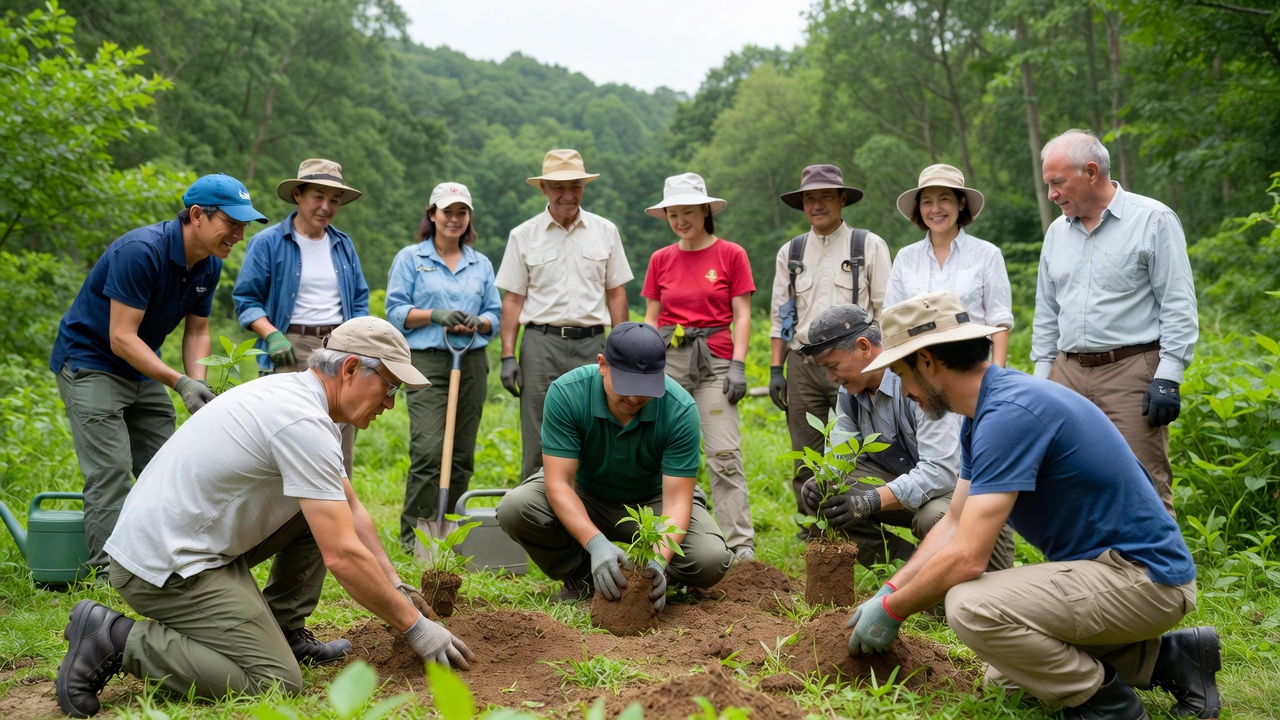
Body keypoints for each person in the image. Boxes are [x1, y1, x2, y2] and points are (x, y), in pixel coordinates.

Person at [55, 317, 475, 719]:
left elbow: (349, 508)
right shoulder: (301, 422)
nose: (389, 402)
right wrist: (415, 626)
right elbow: (343, 556)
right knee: (274, 681)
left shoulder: (297, 396)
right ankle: (114, 639)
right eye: (389, 386)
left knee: (322, 513)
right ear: (350, 368)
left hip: (194, 544)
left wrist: (395, 585)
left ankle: (282, 631)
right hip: (163, 569)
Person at [845, 290, 1219, 720]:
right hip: (1111, 572)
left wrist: (893, 612)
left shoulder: (1010, 414)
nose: (903, 389)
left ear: (927, 362)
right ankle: (1174, 658)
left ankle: (1108, 707)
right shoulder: (984, 412)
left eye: (900, 372)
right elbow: (953, 522)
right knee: (1004, 676)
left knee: (970, 607)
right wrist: (890, 590)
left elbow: (967, 558)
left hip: (1143, 579)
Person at [49, 173, 268, 578]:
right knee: (110, 471)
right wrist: (179, 382)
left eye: (244, 225)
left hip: (140, 364)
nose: (239, 234)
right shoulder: (141, 251)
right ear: (198, 215)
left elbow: (198, 332)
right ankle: (107, 575)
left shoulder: (208, 265)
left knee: (166, 463)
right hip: (91, 362)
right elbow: (120, 337)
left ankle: (162, 560)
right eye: (231, 223)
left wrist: (198, 383)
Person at [496, 322, 733, 608]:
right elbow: (559, 484)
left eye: (645, 388)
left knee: (711, 558)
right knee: (515, 508)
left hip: (652, 502)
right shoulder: (568, 393)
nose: (634, 398)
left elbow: (677, 502)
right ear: (602, 365)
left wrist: (657, 561)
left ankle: (646, 581)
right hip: (585, 493)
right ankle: (582, 573)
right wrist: (595, 543)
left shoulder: (679, 409)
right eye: (627, 386)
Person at [1032, 130, 1197, 518]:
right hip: (1067, 374)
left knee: (1143, 482)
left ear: (1091, 172)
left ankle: (1163, 576)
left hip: (1130, 372)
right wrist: (1042, 381)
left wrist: (1169, 376)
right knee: (1067, 479)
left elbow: (1177, 303)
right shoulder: (1057, 232)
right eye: (1048, 185)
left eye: (1057, 183)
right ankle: (1093, 572)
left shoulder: (1152, 220)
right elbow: (1046, 312)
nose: (1052, 195)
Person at [796, 304, 1013, 571]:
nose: (830, 378)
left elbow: (942, 472)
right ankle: (910, 572)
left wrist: (871, 500)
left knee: (932, 516)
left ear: (864, 347)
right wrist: (823, 481)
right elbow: (839, 459)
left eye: (833, 365)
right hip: (908, 488)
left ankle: (950, 575)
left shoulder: (922, 386)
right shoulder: (850, 395)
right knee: (826, 495)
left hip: (959, 497)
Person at [495, 149, 633, 482]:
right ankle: (537, 520)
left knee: (598, 428)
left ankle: (591, 519)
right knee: (539, 436)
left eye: (575, 186)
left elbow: (616, 292)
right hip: (541, 346)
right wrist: (507, 356)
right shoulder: (523, 235)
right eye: (559, 187)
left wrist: (623, 349)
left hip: (594, 345)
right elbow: (513, 299)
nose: (568, 195)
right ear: (543, 188)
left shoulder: (605, 231)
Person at [641, 172, 756, 561]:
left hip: (716, 361)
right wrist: (647, 365)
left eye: (688, 212)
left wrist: (738, 364)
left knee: (723, 452)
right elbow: (652, 318)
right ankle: (668, 535)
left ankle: (740, 542)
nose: (680, 221)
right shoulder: (661, 259)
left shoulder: (731, 254)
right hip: (670, 361)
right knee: (662, 449)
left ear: (706, 211)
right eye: (673, 214)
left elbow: (742, 314)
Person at [233, 158, 371, 481]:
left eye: (334, 200)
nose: (326, 207)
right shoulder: (268, 243)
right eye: (317, 197)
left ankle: (337, 512)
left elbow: (360, 298)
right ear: (298, 195)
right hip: (290, 346)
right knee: (288, 432)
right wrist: (271, 334)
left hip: (340, 347)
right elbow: (246, 300)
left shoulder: (343, 245)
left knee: (339, 433)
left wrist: (359, 339)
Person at [768, 164, 892, 517]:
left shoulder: (867, 244)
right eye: (809, 197)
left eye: (825, 196)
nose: (816, 204)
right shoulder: (790, 253)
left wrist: (882, 366)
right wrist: (776, 369)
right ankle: (813, 531)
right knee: (805, 452)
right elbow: (781, 317)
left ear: (841, 199)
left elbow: (887, 311)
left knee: (855, 449)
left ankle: (853, 528)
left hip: (855, 360)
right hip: (803, 365)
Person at [386, 182, 501, 551]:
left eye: (461, 212)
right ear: (432, 214)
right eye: (447, 211)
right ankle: (413, 538)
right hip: (427, 362)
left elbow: (494, 315)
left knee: (462, 453)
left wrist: (477, 322)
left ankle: (449, 532)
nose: (454, 219)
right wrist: (436, 314)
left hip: (470, 360)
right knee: (429, 449)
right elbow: (396, 311)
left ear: (469, 219)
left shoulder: (479, 263)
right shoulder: (411, 258)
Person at [886, 164, 1014, 366]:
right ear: (919, 208)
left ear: (961, 203)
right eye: (927, 202)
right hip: (922, 369)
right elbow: (893, 321)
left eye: (944, 199)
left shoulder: (987, 254)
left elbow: (999, 321)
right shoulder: (905, 257)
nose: (935, 209)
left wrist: (997, 377)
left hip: (973, 366)